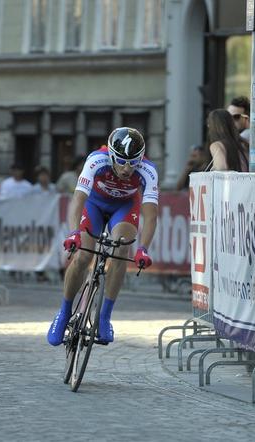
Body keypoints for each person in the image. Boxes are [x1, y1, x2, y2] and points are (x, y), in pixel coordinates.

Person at [47, 127, 158, 345]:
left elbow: (151, 214)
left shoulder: (148, 170)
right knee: (82, 257)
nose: (127, 169)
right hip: (94, 204)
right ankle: (64, 312)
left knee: (120, 249)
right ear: (111, 155)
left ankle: (105, 317)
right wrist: (73, 233)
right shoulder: (97, 160)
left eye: (133, 163)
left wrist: (143, 248)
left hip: (124, 206)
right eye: (122, 162)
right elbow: (78, 199)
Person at [227, 96, 255, 171]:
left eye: (236, 117)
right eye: (228, 117)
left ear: (247, 118)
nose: (231, 121)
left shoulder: (247, 135)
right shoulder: (252, 135)